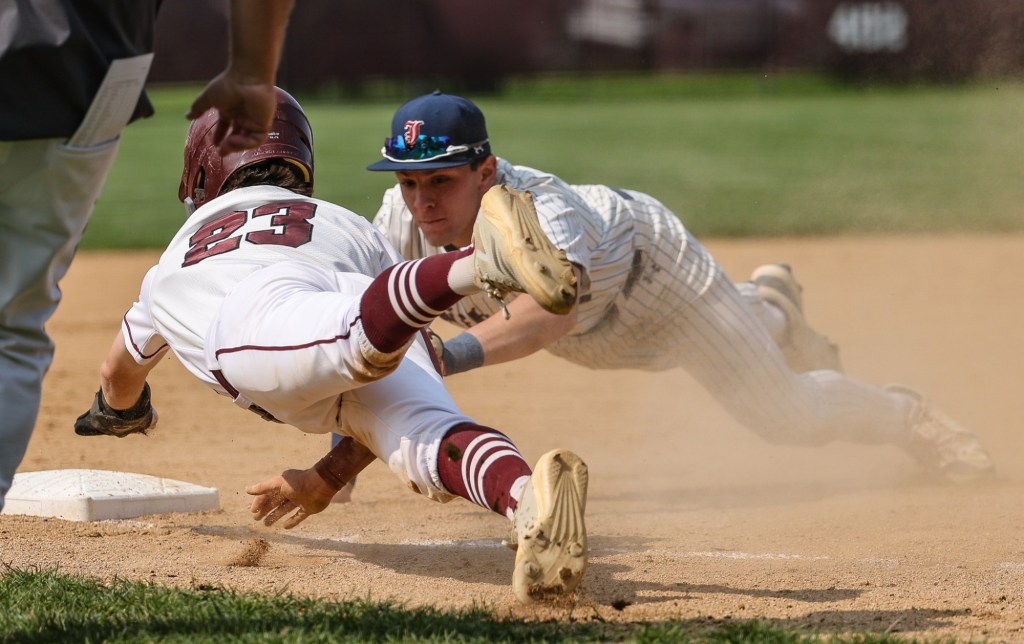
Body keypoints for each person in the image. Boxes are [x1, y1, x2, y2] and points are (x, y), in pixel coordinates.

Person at [72, 88, 588, 604]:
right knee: (426, 436)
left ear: (202, 170)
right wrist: (326, 477)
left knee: (354, 344)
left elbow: (117, 375)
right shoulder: (348, 223)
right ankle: (528, 503)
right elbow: (407, 341)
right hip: (361, 312)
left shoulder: (178, 253)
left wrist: (122, 413)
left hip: (265, 321)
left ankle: (478, 265)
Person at [363, 90, 994, 482]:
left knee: (785, 415)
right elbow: (362, 326)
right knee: (708, 350)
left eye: (440, 181)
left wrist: (451, 356)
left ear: (486, 170)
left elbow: (550, 316)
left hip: (658, 284)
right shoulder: (396, 224)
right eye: (408, 182)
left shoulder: (540, 209)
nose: (421, 201)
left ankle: (911, 419)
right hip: (592, 332)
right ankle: (768, 308)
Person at [0, 0, 295, 512]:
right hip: (84, 72)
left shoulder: (175, 274)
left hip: (84, 75)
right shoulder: (358, 235)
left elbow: (120, 375)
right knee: (11, 331)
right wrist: (251, 71)